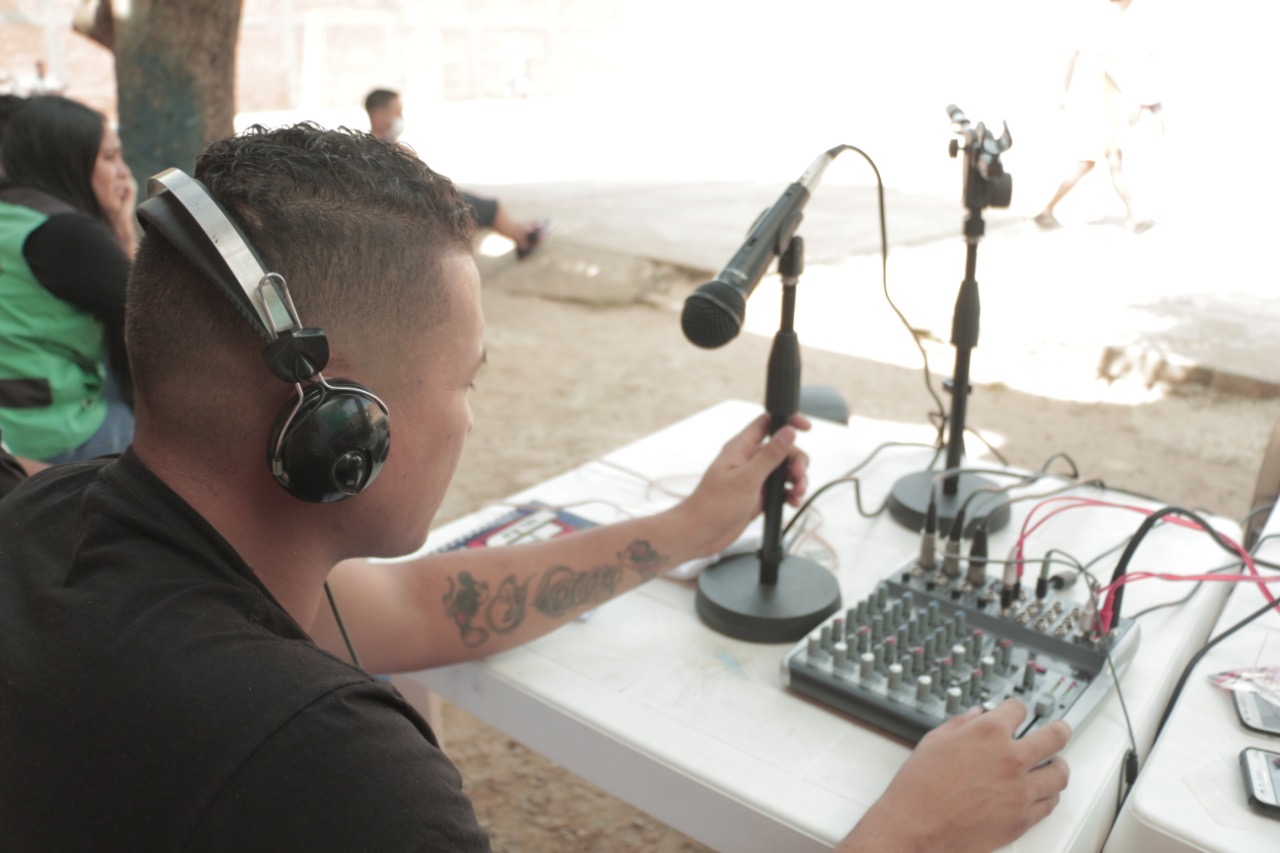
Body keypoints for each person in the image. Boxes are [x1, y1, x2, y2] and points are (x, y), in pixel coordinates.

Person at [0, 123, 1069, 850]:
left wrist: (682, 525)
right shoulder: (330, 766)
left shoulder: (71, 515)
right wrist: (902, 833)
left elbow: (420, 603)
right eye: (464, 380)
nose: (472, 413)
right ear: (342, 430)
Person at [0, 95, 136, 466]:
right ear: (68, 160)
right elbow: (154, 314)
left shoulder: (13, 212)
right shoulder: (65, 235)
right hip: (48, 434)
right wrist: (123, 227)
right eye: (109, 158)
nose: (124, 172)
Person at [365, 88, 551, 259]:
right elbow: (426, 186)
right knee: (491, 207)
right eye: (397, 113)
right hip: (429, 211)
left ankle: (524, 230)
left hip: (420, 208)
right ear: (379, 117)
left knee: (473, 200)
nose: (400, 118)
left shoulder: (366, 149)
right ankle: (525, 239)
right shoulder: (393, 152)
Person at [1033, 0, 1161, 233]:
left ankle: (1132, 216)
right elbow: (1104, 64)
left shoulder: (1108, 21)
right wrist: (1135, 99)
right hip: (1098, 111)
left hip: (1100, 109)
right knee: (1101, 163)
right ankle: (1132, 217)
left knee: (1099, 163)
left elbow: (1082, 58)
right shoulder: (1107, 22)